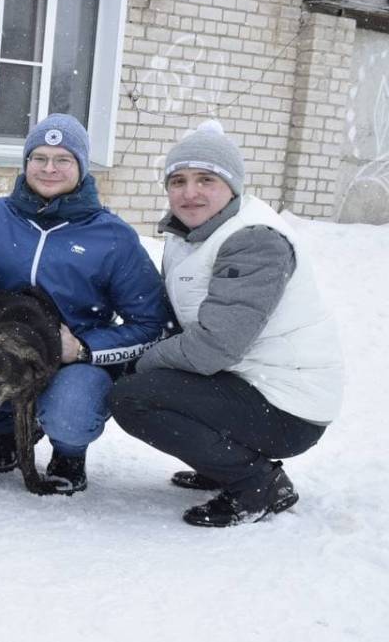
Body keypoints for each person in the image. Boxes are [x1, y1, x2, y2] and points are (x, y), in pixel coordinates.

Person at [0, 113, 172, 493]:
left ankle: (68, 453)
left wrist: (86, 349)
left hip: (70, 363)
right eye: (39, 158)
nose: (49, 168)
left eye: (63, 159)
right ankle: (10, 431)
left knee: (70, 414)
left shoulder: (113, 237)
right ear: (25, 164)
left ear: (82, 166)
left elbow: (153, 325)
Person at [110, 121, 343, 527]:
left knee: (133, 397)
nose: (189, 192)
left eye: (206, 179)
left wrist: (143, 360)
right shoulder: (194, 233)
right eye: (178, 180)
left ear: (232, 186)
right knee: (147, 385)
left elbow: (214, 346)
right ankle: (223, 464)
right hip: (250, 384)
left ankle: (258, 484)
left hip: (288, 406)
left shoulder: (255, 240)